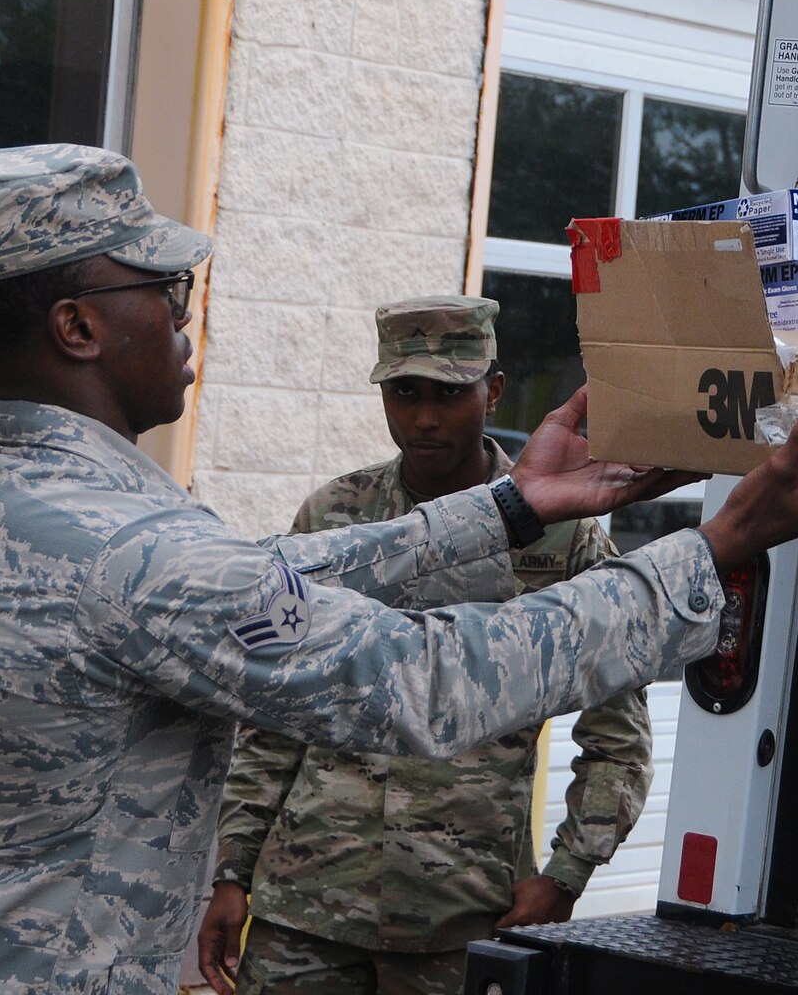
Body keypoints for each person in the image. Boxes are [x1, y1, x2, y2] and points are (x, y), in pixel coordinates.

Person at [0, 144, 798, 995]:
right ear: (78, 326)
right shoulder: (129, 548)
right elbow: (420, 681)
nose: (186, 321)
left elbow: (256, 574)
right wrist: (711, 551)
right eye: (166, 291)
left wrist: (507, 507)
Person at [197, 297, 653, 995]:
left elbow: (617, 737)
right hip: (307, 905)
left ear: (492, 391)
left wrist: (566, 875)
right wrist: (233, 869)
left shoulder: (562, 535)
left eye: (449, 393)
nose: (425, 417)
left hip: (465, 915)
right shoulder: (332, 520)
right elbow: (273, 709)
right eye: (404, 392)